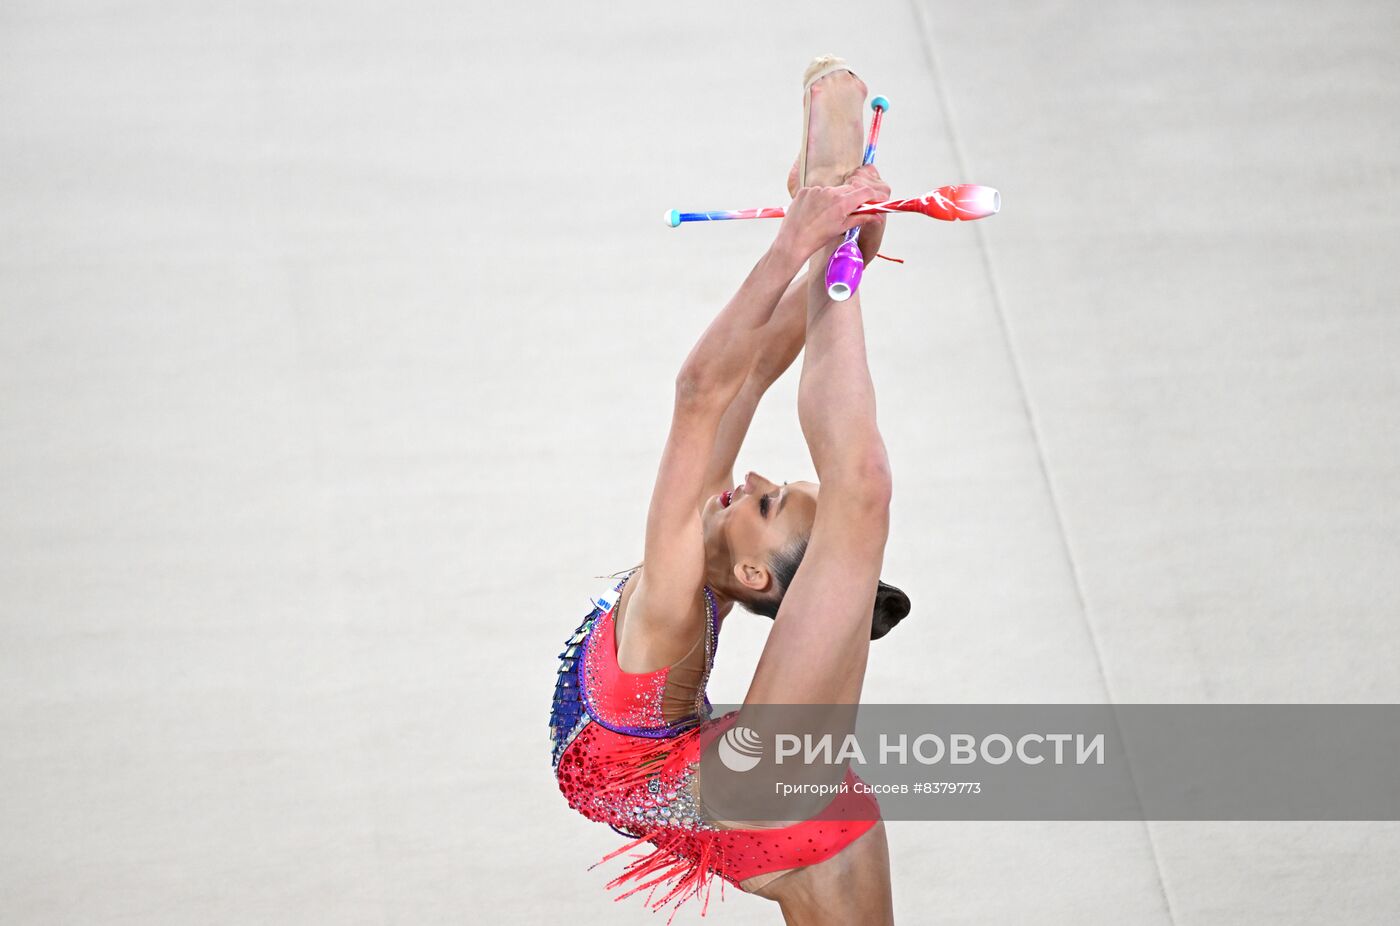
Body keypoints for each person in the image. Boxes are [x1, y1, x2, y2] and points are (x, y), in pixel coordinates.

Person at [549, 57, 907, 924]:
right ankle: (833, 207)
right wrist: (829, 253)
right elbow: (741, 380)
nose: (746, 478)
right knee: (861, 484)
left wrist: (802, 242)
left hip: (732, 788)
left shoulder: (678, 584)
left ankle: (830, 197)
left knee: (862, 487)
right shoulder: (699, 558)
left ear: (754, 577)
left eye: (767, 501)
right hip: (722, 784)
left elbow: (699, 390)